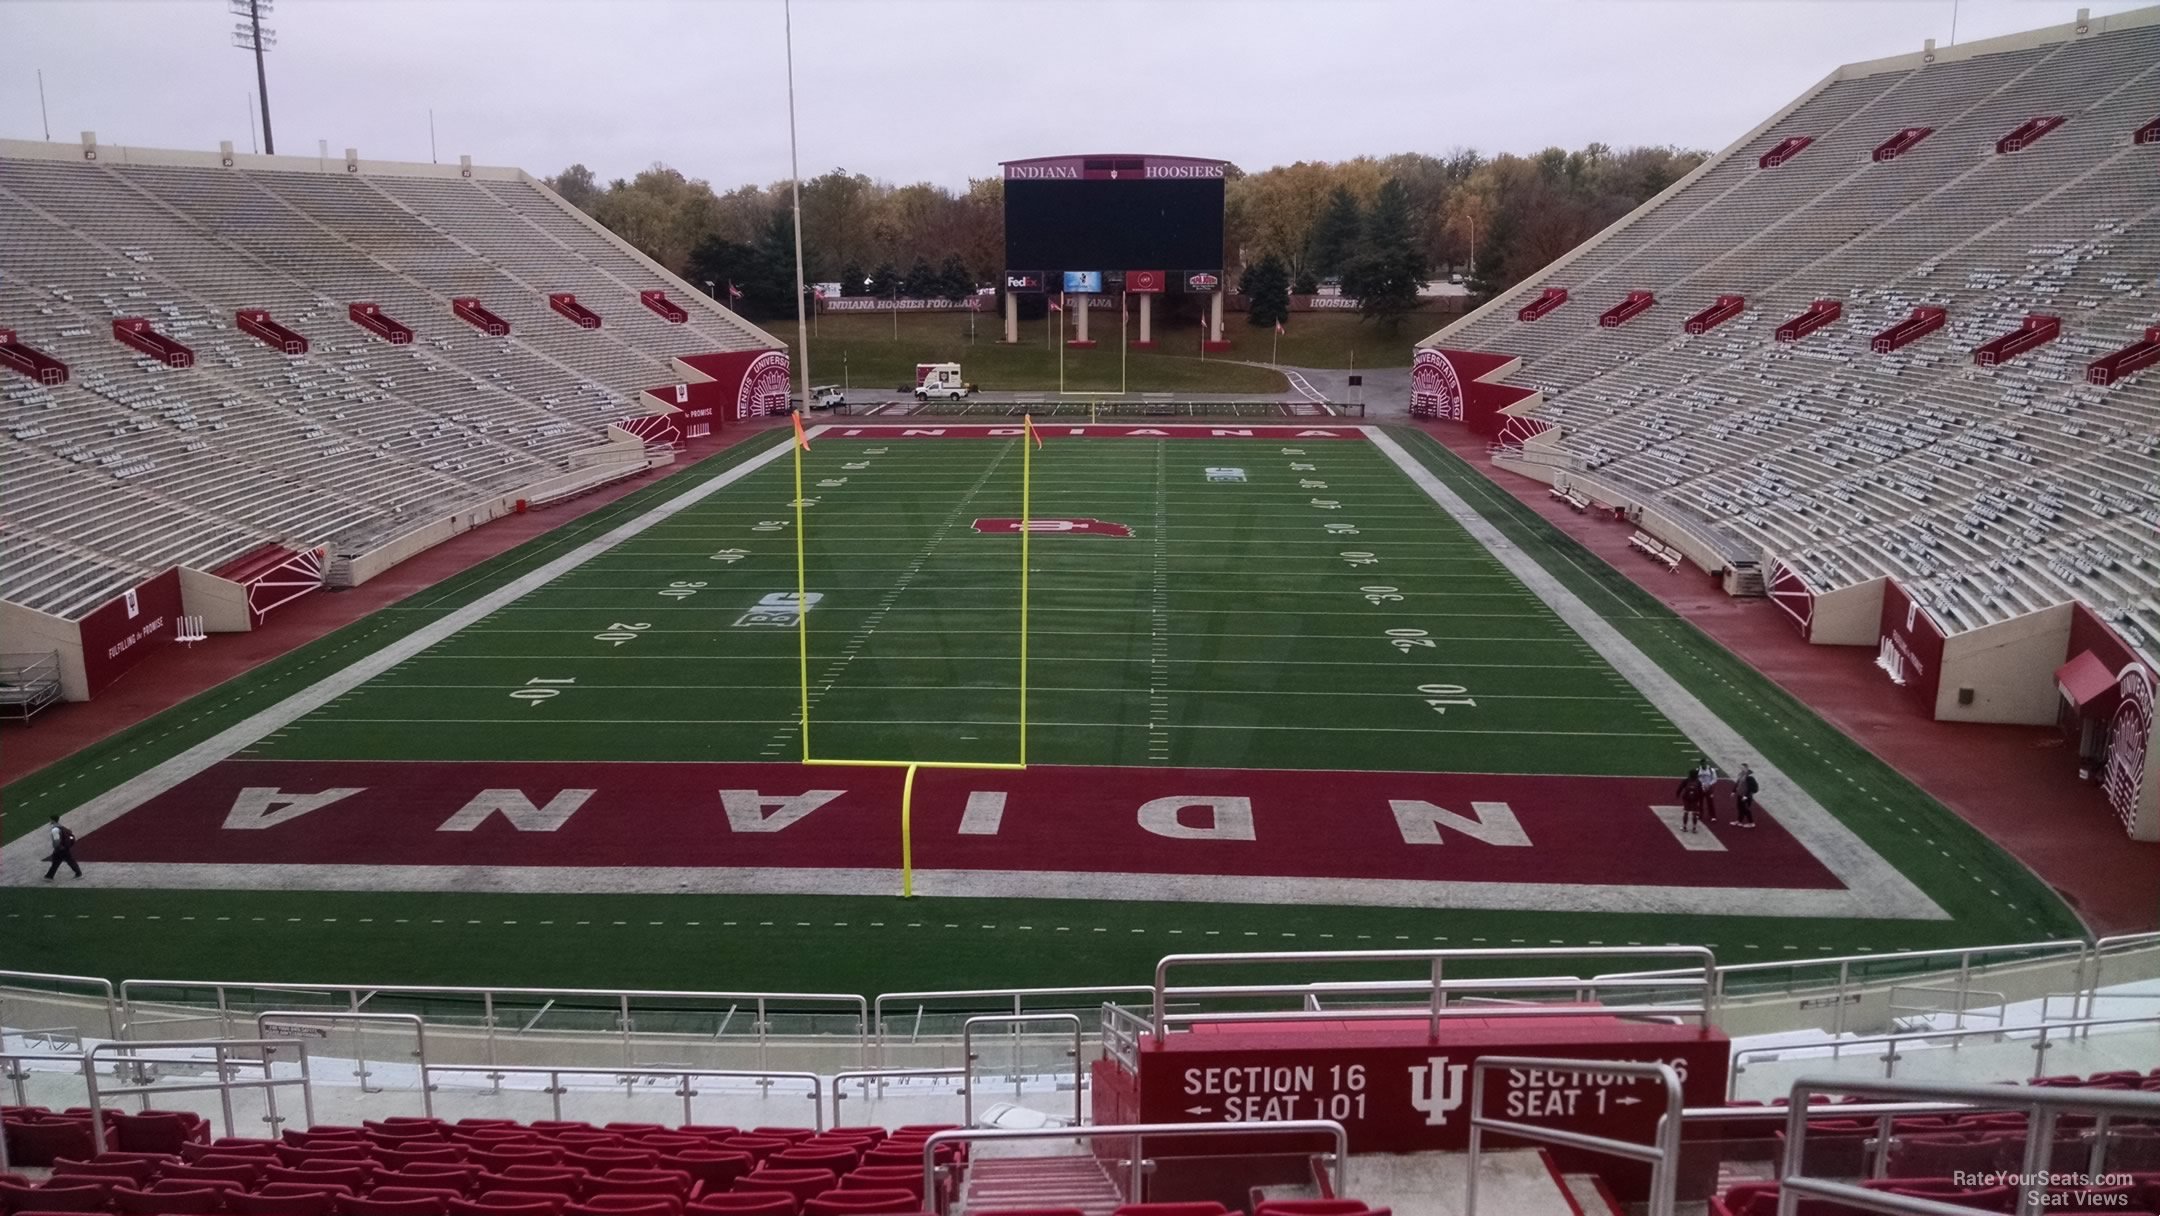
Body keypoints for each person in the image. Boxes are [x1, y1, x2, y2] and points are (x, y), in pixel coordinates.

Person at [43, 816, 80, 880]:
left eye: (50, 820)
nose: (49, 821)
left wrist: (56, 847)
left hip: (60, 849)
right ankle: (78, 873)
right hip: (65, 847)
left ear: (53, 820)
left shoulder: (55, 829)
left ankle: (49, 876)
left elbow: (57, 840)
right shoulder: (61, 827)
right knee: (68, 860)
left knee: (57, 861)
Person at [1695, 757, 1721, 824]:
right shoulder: (1698, 770)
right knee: (1700, 802)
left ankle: (1713, 816)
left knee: (1710, 802)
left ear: (1706, 763)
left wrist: (1709, 784)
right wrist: (1702, 784)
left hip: (1709, 788)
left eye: (1704, 764)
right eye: (1702, 764)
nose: (1703, 765)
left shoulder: (1711, 770)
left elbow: (1715, 779)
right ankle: (1700, 814)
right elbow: (1696, 778)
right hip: (1701, 788)